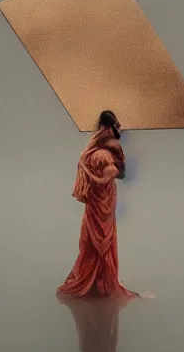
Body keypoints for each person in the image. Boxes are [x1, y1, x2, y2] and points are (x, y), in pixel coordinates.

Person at [58, 110, 139, 299]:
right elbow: (121, 174)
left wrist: (93, 170)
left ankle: (97, 279)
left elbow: (111, 176)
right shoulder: (107, 150)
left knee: (92, 238)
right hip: (102, 199)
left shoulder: (93, 152)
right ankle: (101, 280)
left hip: (100, 199)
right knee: (100, 237)